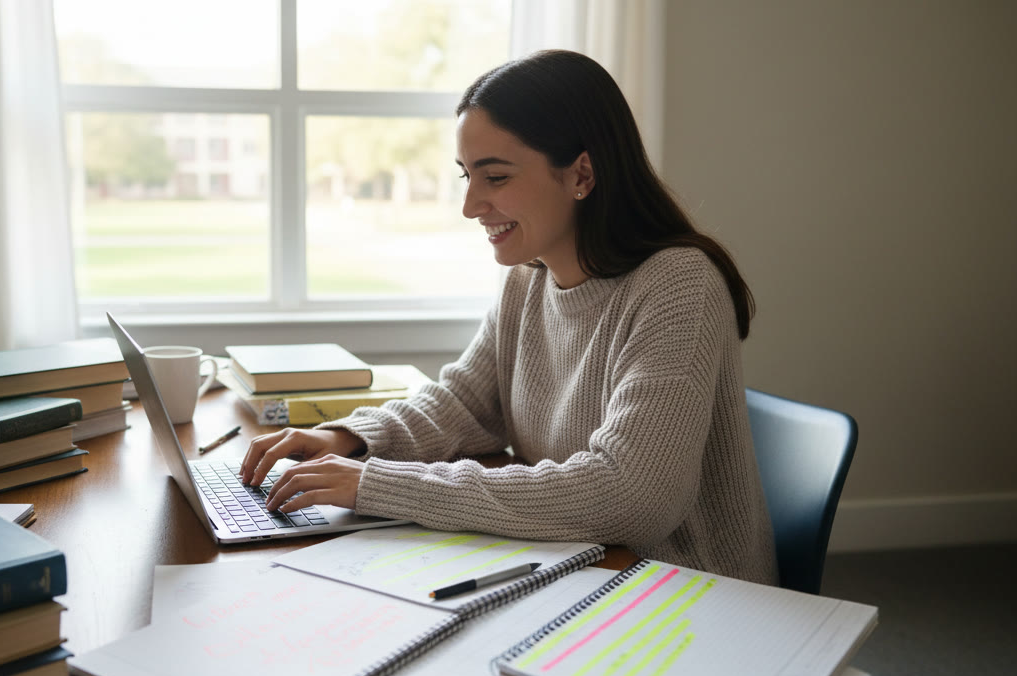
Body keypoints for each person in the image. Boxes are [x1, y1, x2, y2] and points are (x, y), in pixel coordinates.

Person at [240, 50, 776, 585]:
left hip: (685, 594)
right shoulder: (530, 278)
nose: (471, 205)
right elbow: (465, 405)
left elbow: (631, 495)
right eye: (466, 176)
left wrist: (375, 484)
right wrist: (351, 440)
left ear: (582, 174)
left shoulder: (678, 284)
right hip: (584, 567)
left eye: (494, 177)